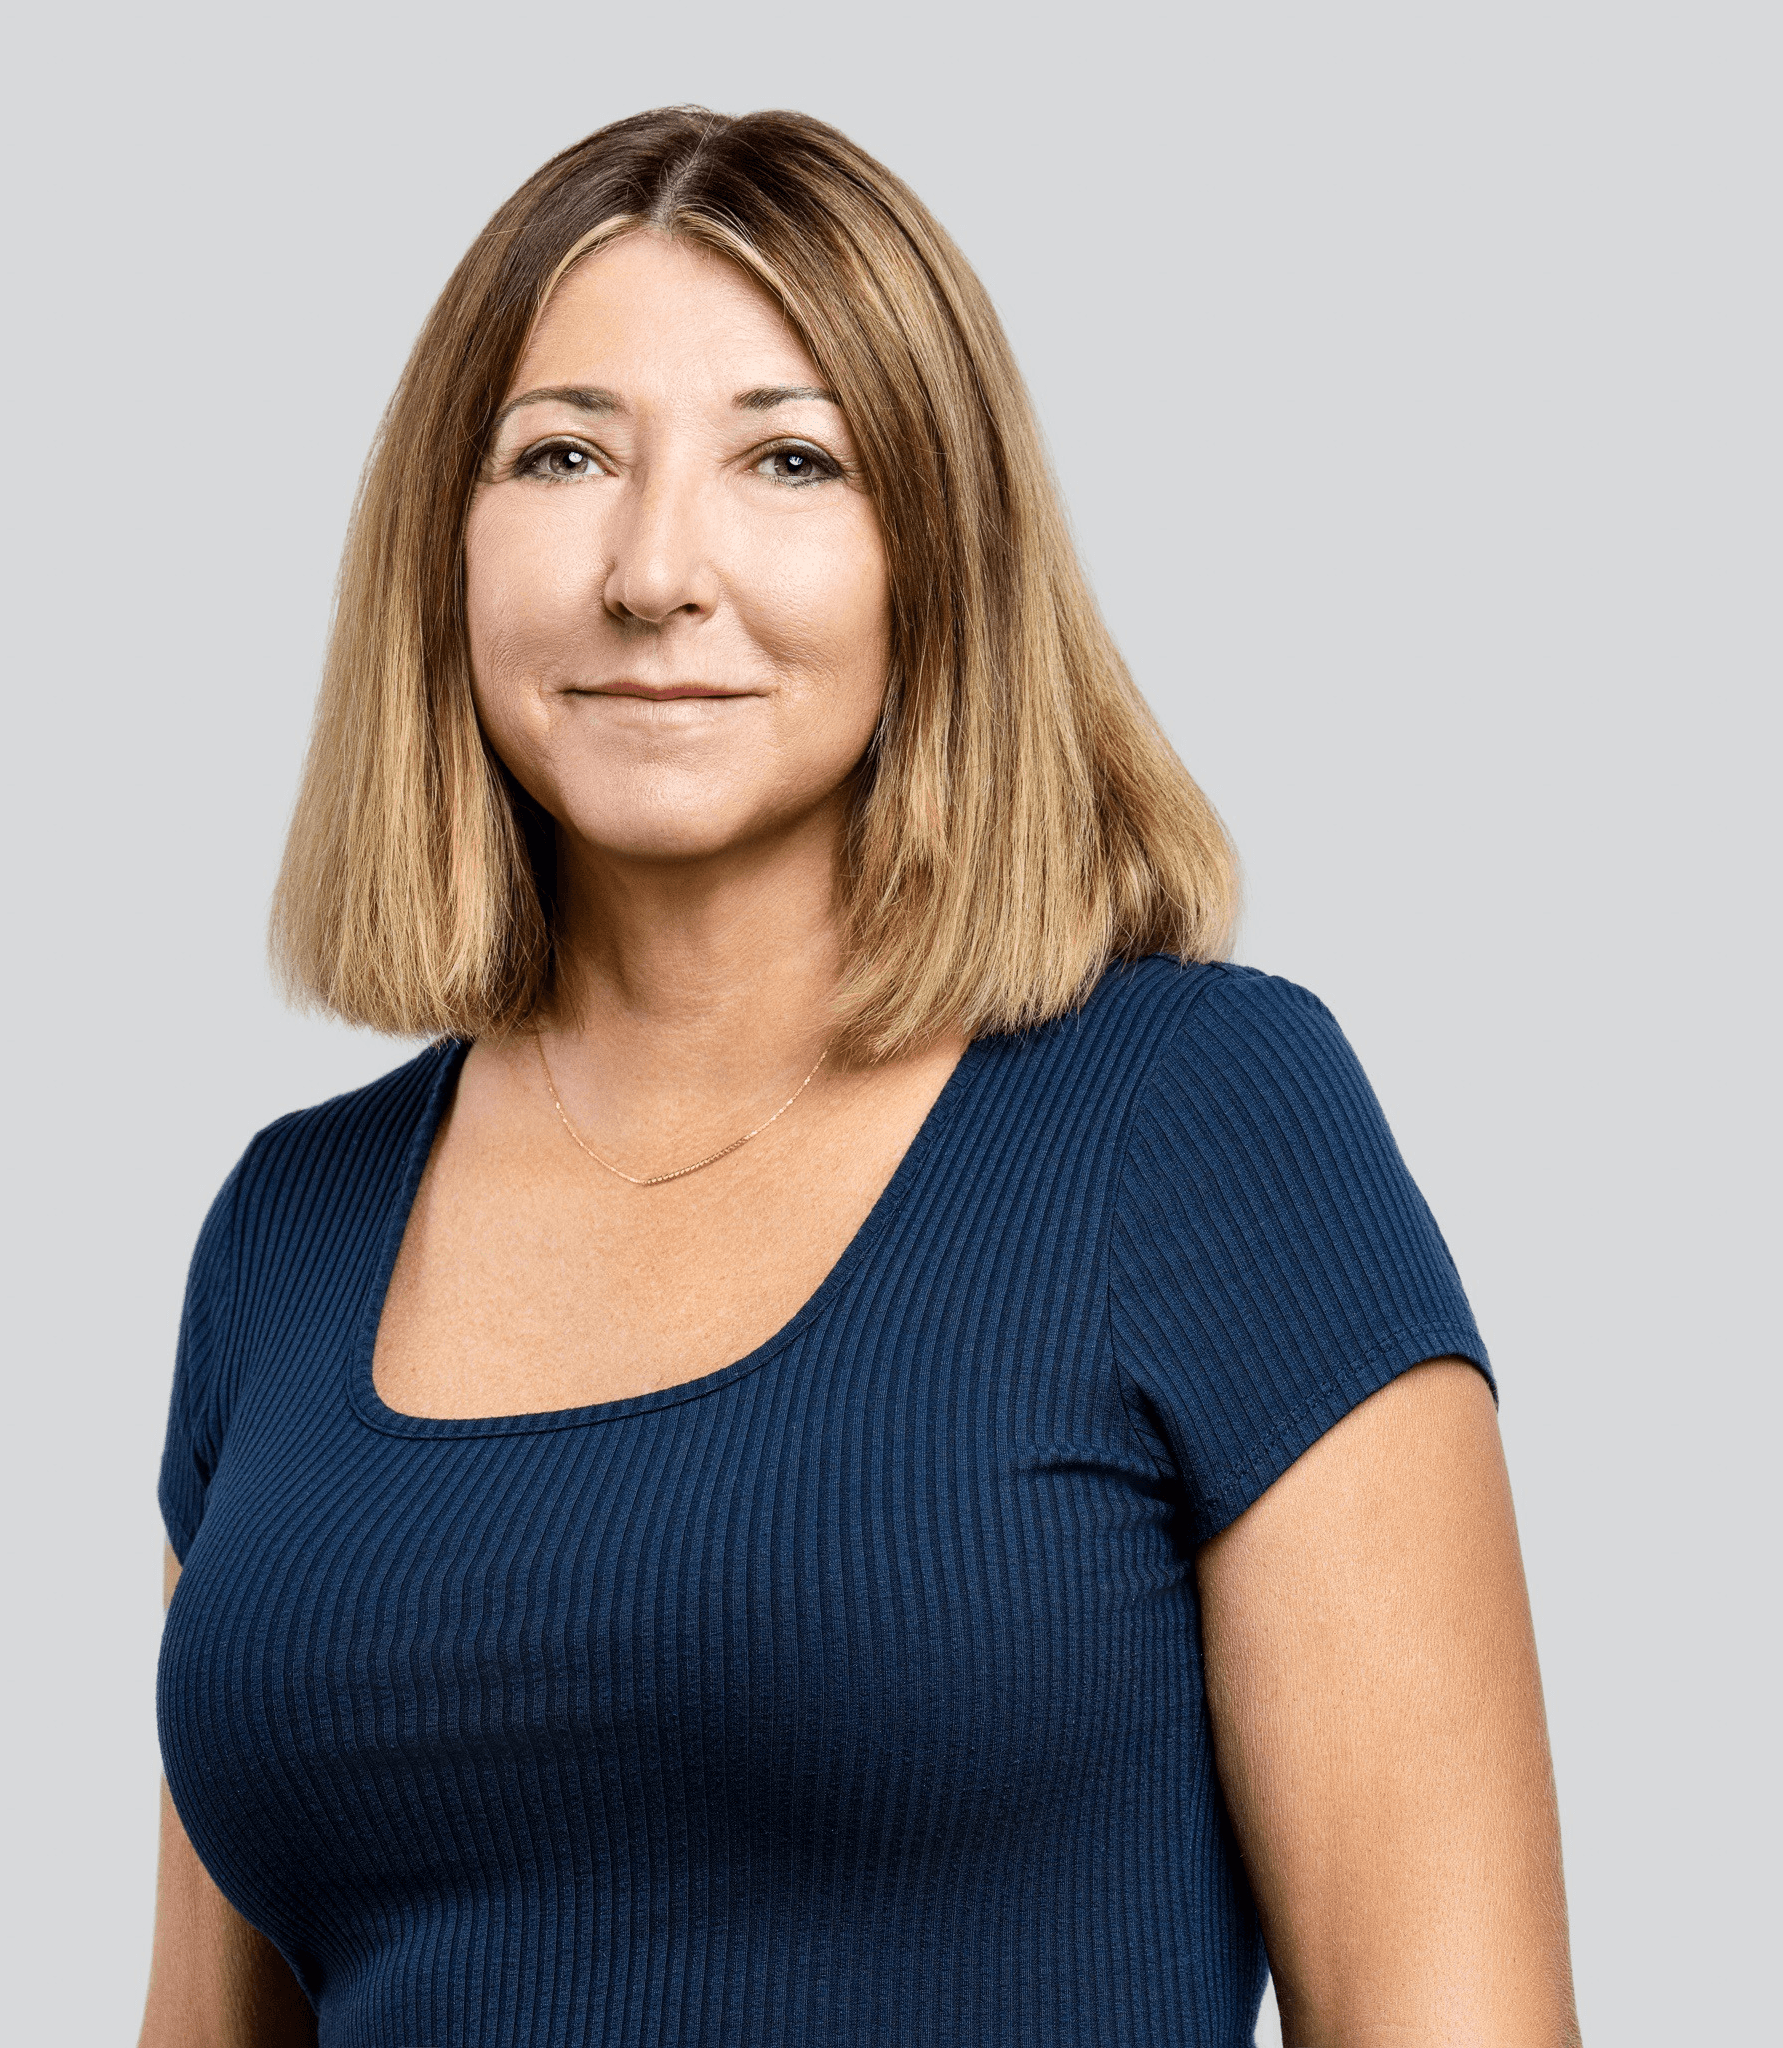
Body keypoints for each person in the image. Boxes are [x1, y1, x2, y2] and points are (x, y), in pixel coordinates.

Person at [139, 107, 1579, 2048]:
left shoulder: (1199, 1125)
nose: (656, 569)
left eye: (790, 459)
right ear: (443, 546)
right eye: (562, 455)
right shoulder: (288, 1234)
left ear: (938, 555)